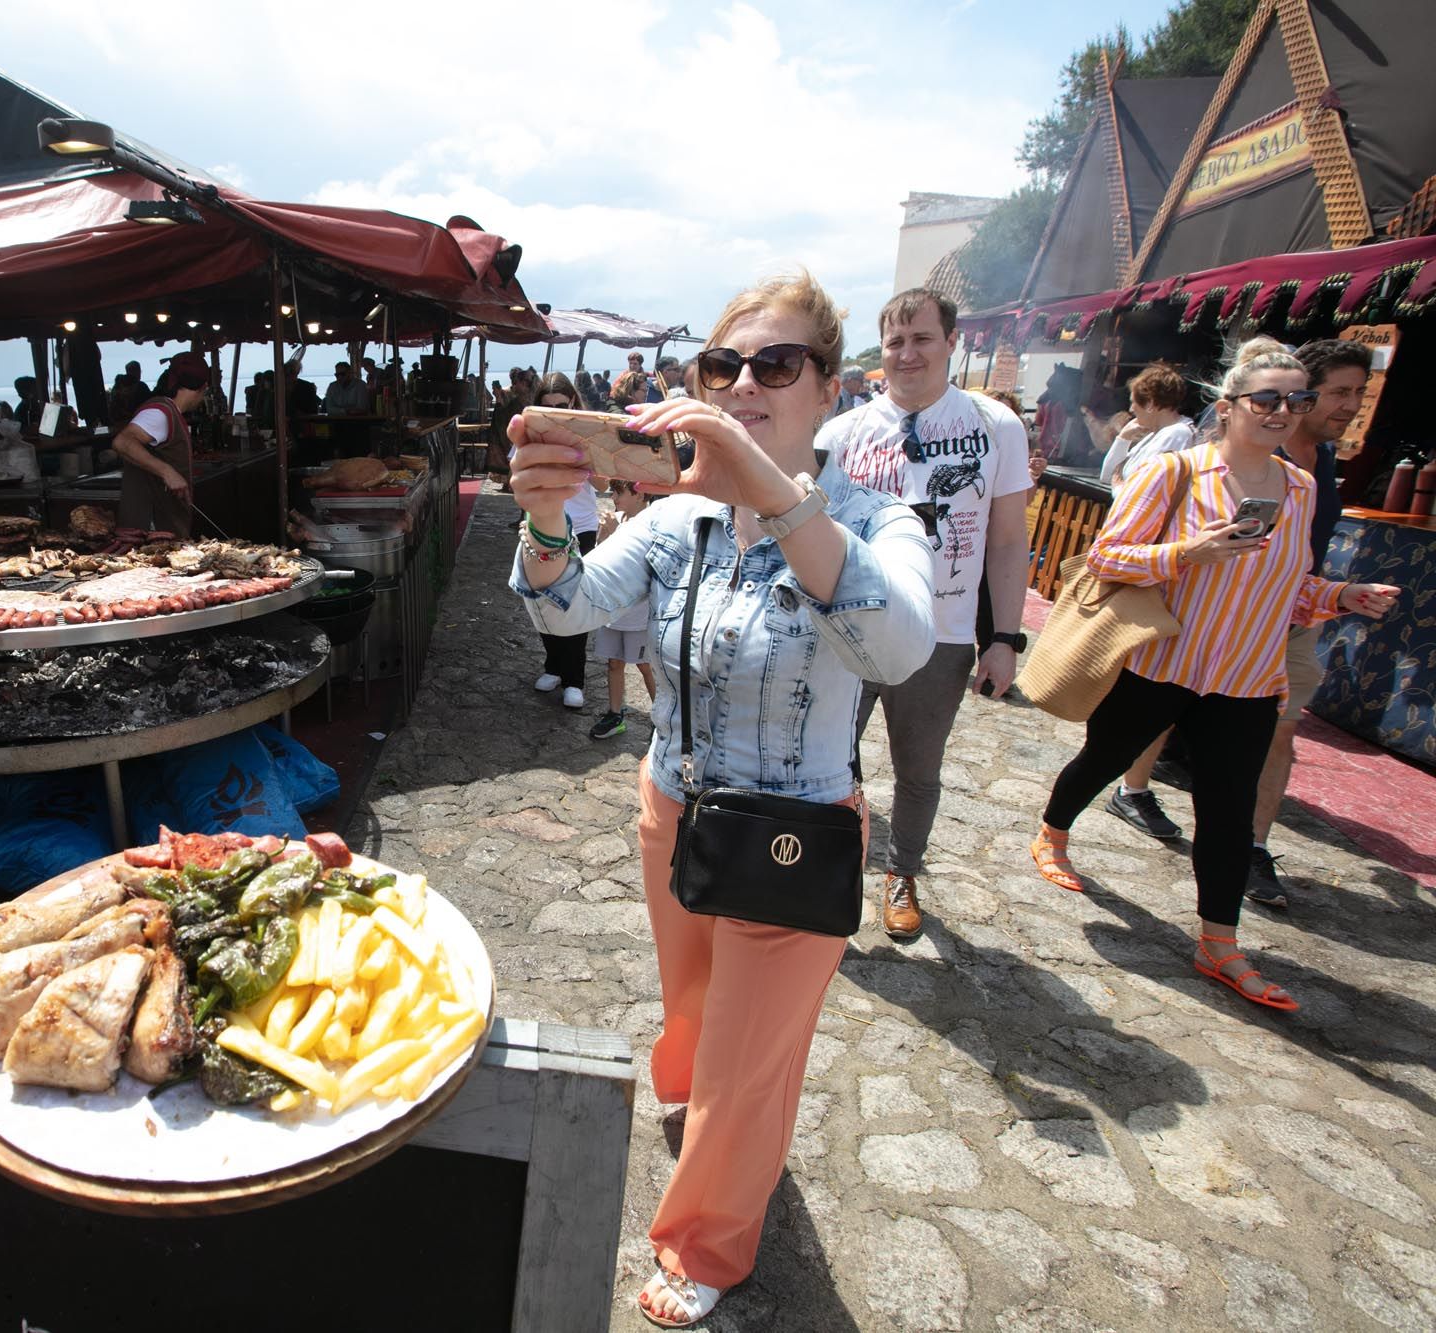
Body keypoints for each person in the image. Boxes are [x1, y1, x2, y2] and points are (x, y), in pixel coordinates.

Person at [509, 271, 934, 1327]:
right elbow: (562, 605)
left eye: (775, 363)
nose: (743, 383)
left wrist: (779, 497)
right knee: (696, 1010)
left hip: (794, 834)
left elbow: (899, 644)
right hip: (675, 811)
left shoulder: (880, 519)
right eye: (722, 365)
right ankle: (701, 1114)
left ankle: (705, 1237)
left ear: (828, 389)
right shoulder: (681, 522)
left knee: (749, 1062)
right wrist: (545, 519)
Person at [1027, 343, 1398, 1012]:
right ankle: (1053, 830)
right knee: (1104, 756)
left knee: (1227, 813)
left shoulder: (1302, 488)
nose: (1285, 411)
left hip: (1247, 679)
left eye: (1298, 400)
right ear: (1227, 408)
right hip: (1162, 663)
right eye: (1268, 399)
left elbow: (1291, 588)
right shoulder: (1175, 473)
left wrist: (1341, 596)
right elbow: (1109, 555)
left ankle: (1219, 943)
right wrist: (1187, 553)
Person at [816, 288, 1032, 939]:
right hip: (849, 632)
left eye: (922, 339)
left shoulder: (996, 427)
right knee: (827, 761)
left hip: (943, 636)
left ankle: (901, 871)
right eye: (895, 341)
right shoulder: (842, 432)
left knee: (918, 768)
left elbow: (1007, 540)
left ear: (951, 342)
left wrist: (1006, 638)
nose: (907, 353)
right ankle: (825, 873)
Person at [1247, 338, 1371, 908]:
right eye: (1340, 392)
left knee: (1280, 735)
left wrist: (1339, 594)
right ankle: (1131, 786)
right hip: (1228, 617)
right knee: (1154, 719)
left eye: (1359, 393)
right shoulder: (1255, 453)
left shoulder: (1320, 461)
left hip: (1297, 617)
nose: (1351, 405)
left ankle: (1251, 847)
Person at [1087, 363, 1205, 839]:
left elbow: (1129, 491)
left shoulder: (1178, 441)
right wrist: (1125, 438)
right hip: (1132, 552)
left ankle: (1124, 760)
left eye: (1137, 403)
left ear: (1154, 402)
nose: (1131, 411)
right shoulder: (1156, 437)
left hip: (1152, 566)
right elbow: (1110, 475)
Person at [529, 372, 604, 710]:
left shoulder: (588, 433)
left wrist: (586, 454)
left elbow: (603, 487)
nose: (557, 412)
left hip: (582, 528)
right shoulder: (533, 435)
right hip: (543, 527)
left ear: (573, 402)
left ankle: (575, 679)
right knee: (543, 602)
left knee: (573, 605)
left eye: (562, 405)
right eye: (549, 408)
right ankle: (555, 666)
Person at [588, 479, 660, 739]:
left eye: (619, 492)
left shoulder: (653, 523)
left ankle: (662, 717)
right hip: (614, 609)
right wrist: (605, 535)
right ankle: (615, 714)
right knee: (614, 662)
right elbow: (602, 556)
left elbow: (646, 564)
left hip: (639, 613)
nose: (613, 497)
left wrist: (617, 533)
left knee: (645, 664)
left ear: (640, 494)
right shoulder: (618, 518)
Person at [113, 352, 210, 538]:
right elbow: (123, 442)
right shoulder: (159, 413)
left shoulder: (170, 411)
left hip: (162, 525)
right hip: (148, 526)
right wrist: (167, 471)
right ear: (203, 388)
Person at [1099, 364, 1196, 492]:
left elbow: (1144, 492)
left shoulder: (1177, 434)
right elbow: (1107, 476)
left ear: (1150, 403)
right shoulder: (1154, 434)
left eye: (1133, 402)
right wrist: (1124, 438)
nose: (1131, 409)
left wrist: (1118, 488)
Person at [107, 361, 150, 429]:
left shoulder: (117, 386)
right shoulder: (141, 386)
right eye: (139, 371)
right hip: (134, 424)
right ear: (137, 371)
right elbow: (149, 404)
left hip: (116, 424)